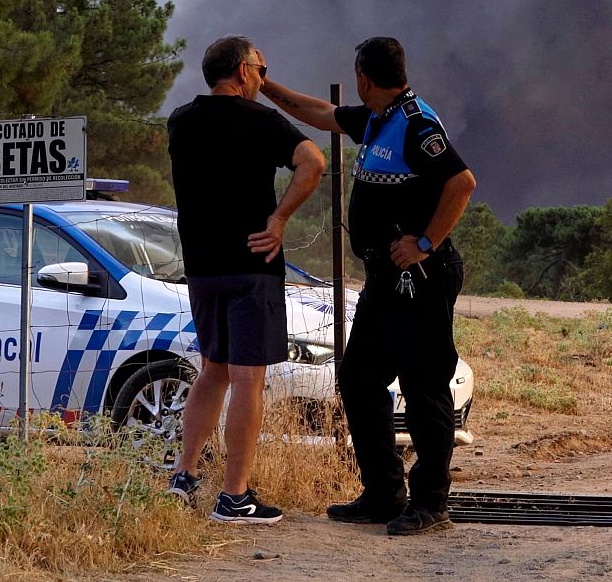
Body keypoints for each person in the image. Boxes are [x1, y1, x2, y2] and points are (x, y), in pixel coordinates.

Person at [262, 36, 476, 536]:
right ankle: (384, 493)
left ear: (364, 76)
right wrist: (265, 85)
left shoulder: (417, 123)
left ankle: (430, 503)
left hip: (421, 276)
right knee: (359, 377)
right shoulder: (378, 117)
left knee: (424, 386)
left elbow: (461, 182)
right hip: (385, 277)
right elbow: (321, 113)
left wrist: (425, 242)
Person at [164, 35, 326, 524]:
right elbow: (313, 161)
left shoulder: (180, 120)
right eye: (260, 68)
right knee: (247, 378)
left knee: (212, 368)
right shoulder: (261, 121)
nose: (262, 76)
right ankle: (234, 496)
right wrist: (278, 221)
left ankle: (184, 477)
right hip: (251, 267)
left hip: (201, 267)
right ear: (241, 71)